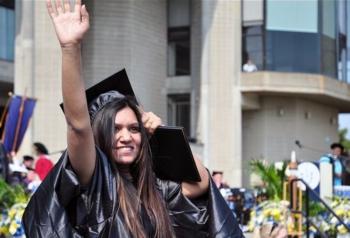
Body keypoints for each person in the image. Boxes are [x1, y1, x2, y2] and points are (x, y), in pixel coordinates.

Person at [22, 1, 243, 237]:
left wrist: (161, 131)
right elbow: (78, 126)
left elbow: (201, 182)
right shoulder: (96, 183)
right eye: (115, 128)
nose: (126, 136)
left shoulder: (154, 188)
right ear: (100, 134)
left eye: (134, 128)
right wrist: (70, 47)